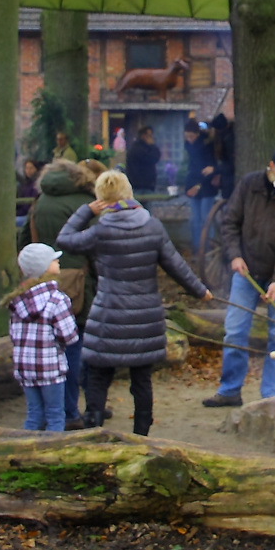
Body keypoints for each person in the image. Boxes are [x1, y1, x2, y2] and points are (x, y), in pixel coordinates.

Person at [54, 169, 212, 435]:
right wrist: (201, 292)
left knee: (99, 376)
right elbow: (176, 265)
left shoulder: (100, 231)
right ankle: (142, 436)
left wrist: (87, 211)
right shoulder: (152, 226)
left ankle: (92, 432)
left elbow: (64, 239)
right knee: (141, 380)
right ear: (128, 193)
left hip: (108, 316)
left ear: (102, 198)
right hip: (145, 317)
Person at [203, 146, 275, 407]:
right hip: (246, 270)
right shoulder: (249, 184)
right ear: (271, 166)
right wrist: (234, 255)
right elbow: (230, 222)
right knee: (235, 331)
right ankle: (230, 390)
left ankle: (271, 396)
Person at [27, 160, 98, 427]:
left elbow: (26, 239)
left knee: (42, 349)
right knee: (74, 348)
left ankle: (44, 411)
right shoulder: (86, 202)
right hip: (80, 285)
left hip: (41, 284)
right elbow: (97, 243)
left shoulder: (40, 200)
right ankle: (71, 411)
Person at [1, 243, 81, 432]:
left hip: (25, 368)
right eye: (54, 259)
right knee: (55, 415)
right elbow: (69, 336)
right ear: (45, 267)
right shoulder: (57, 300)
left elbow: (13, 334)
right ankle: (51, 456)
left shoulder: (17, 300)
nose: (58, 261)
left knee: (34, 414)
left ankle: (26, 452)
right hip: (50, 368)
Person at [183, 118, 220, 248]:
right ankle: (197, 248)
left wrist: (198, 185)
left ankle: (207, 248)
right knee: (195, 220)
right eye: (187, 136)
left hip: (207, 185)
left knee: (206, 218)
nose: (189, 139)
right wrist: (189, 186)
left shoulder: (207, 145)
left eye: (191, 136)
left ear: (197, 134)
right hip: (193, 184)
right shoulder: (187, 146)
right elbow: (191, 168)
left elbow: (209, 169)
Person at [125, 126, 161, 193]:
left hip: (146, 184)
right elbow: (153, 158)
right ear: (143, 136)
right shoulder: (138, 149)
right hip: (140, 185)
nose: (151, 138)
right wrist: (152, 146)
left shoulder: (143, 148)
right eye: (149, 135)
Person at [16, 158, 42, 223]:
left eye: (31, 168)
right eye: (27, 168)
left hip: (29, 215)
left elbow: (29, 206)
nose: (28, 171)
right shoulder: (24, 184)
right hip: (21, 213)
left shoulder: (37, 184)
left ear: (36, 169)